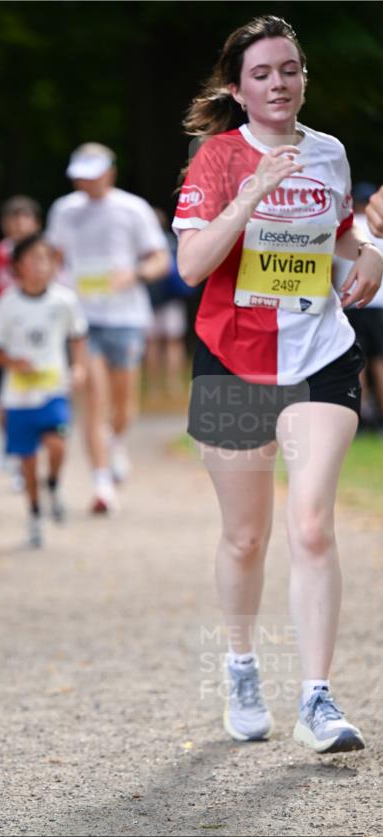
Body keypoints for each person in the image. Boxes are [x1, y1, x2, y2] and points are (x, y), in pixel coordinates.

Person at [174, 16, 383, 754]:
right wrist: (250, 191)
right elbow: (192, 266)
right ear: (237, 87)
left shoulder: (327, 151)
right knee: (244, 536)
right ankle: (240, 666)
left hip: (319, 352)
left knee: (311, 524)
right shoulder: (215, 159)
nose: (278, 84)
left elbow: (341, 234)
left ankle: (317, 699)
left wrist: (369, 254)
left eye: (289, 69)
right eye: (261, 73)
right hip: (231, 357)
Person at [47, 143, 170, 513]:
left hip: (126, 318)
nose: (86, 182)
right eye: (80, 175)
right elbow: (53, 258)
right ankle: (102, 484)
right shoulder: (64, 210)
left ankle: (116, 442)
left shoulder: (132, 209)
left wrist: (134, 274)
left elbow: (161, 259)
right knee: (94, 401)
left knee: (123, 406)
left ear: (110, 173)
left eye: (93, 173)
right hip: (82, 320)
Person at [0, 233, 87, 548]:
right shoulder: (6, 304)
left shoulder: (64, 300)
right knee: (27, 460)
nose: (41, 266)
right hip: (17, 395)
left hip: (53, 388)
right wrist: (12, 362)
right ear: (18, 266)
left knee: (57, 444)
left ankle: (53, 484)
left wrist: (79, 366)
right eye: (33, 260)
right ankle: (33, 514)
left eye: (46, 259)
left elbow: (77, 335)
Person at [0, 196, 42, 476]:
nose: (19, 225)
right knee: (1, 398)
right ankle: (12, 443)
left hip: (36, 335)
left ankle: (28, 452)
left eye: (24, 219)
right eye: (13, 220)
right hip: (3, 335)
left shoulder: (45, 256)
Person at [333, 183, 383, 430]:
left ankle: (361, 415)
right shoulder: (375, 226)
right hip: (381, 304)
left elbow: (332, 267)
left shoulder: (349, 228)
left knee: (359, 361)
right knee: (380, 360)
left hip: (353, 302)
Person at [144, 208, 192, 404]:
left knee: (153, 343)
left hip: (150, 301)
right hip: (172, 300)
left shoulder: (142, 246)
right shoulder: (171, 242)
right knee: (173, 342)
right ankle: (173, 384)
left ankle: (154, 387)